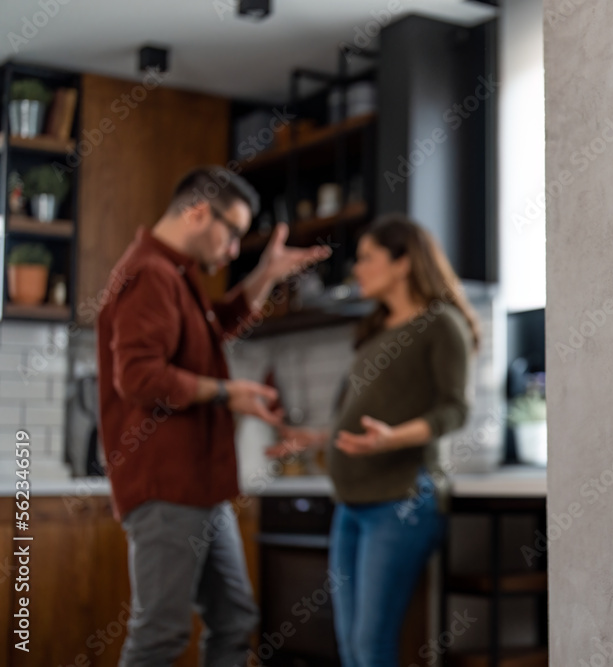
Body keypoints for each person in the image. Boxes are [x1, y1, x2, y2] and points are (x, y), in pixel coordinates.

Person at [96, 165, 331, 667]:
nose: (231, 251)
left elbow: (217, 326)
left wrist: (266, 273)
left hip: (200, 485)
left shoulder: (176, 274)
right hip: (167, 485)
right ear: (199, 211)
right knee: (160, 634)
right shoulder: (150, 274)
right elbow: (138, 376)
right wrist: (225, 392)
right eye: (233, 235)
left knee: (234, 620)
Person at [270, 214, 478, 667]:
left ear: (403, 262)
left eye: (367, 258)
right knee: (350, 646)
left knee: (371, 646)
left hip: (401, 500)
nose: (356, 269)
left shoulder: (440, 323)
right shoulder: (372, 331)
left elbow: (455, 409)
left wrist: (392, 440)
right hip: (351, 502)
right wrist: (318, 438)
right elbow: (365, 422)